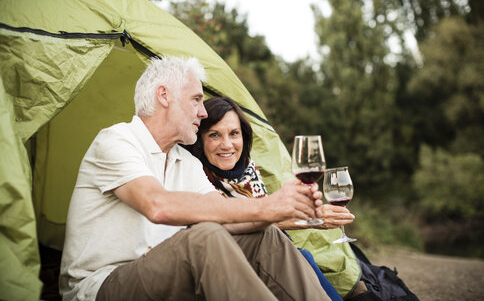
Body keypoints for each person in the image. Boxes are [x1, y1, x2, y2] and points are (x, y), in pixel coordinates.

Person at [59, 56, 332, 301]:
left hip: (165, 274)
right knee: (204, 236)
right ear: (164, 95)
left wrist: (284, 208)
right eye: (196, 100)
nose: (203, 113)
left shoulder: (185, 161)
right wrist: (267, 206)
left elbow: (224, 213)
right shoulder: (117, 140)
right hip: (103, 285)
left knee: (265, 236)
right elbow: (157, 205)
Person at [185, 96, 366, 300]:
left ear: (244, 136)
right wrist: (309, 219)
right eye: (214, 135)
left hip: (266, 253)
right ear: (200, 139)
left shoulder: (248, 170)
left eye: (234, 133)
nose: (227, 144)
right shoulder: (195, 174)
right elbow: (234, 221)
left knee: (301, 256)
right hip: (225, 261)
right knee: (299, 256)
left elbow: (261, 223)